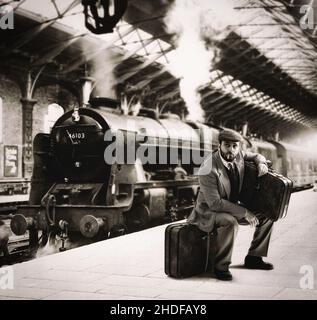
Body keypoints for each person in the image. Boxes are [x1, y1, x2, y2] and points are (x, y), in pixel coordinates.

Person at [187, 128, 274, 281]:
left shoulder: (239, 155)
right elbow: (215, 203)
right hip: (208, 212)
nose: (231, 150)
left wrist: (261, 163)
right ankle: (221, 267)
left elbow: (255, 155)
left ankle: (254, 257)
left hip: (230, 207)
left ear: (239, 147)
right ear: (219, 145)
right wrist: (245, 212)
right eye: (227, 145)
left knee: (267, 216)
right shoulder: (208, 168)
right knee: (230, 222)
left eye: (235, 146)